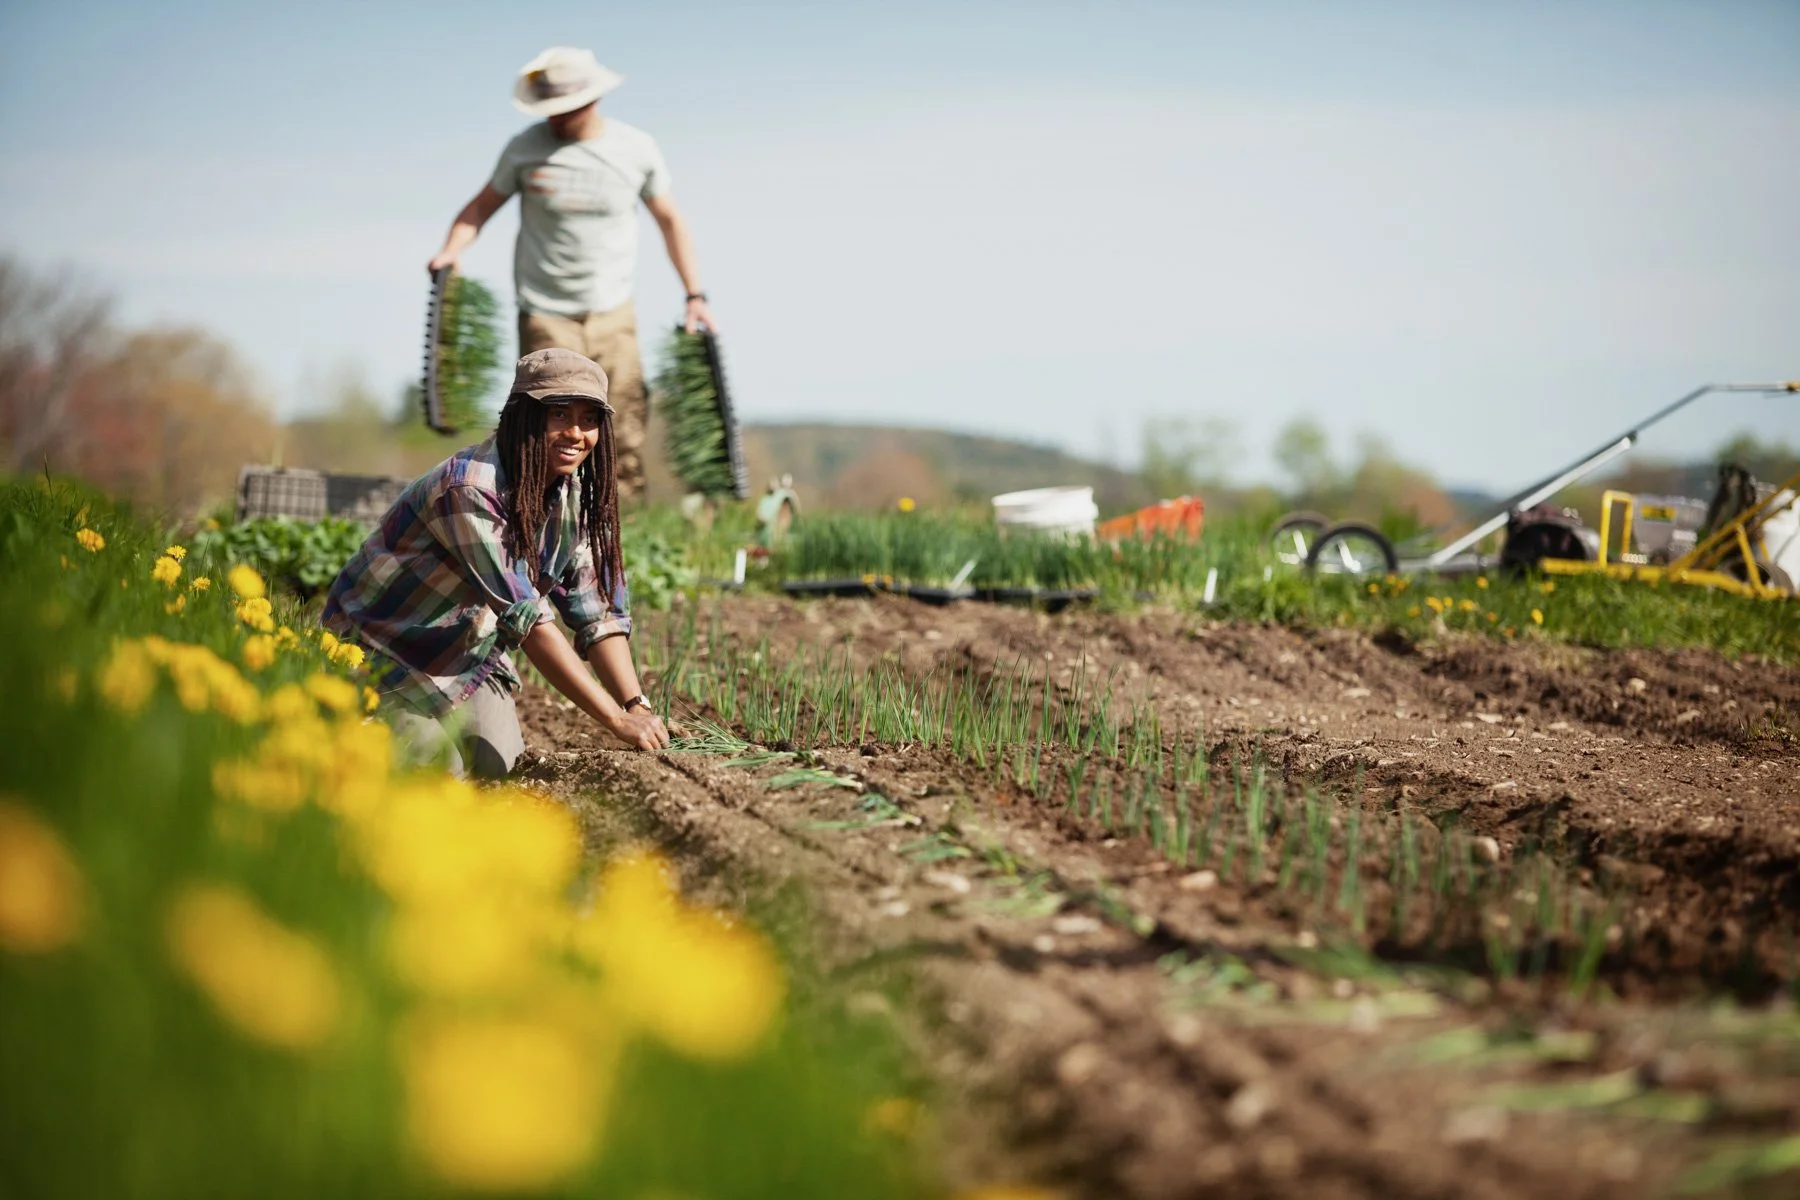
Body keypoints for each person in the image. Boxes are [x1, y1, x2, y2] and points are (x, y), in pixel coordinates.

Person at [322, 349, 671, 778]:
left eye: (590, 419)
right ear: (523, 415)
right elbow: (529, 621)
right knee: (438, 774)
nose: (576, 433)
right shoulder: (468, 488)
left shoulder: (573, 494)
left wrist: (637, 706)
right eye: (559, 414)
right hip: (384, 655)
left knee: (500, 772)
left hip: (468, 654)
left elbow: (596, 613)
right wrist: (615, 722)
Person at [428, 45, 717, 501]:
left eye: (565, 109)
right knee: (551, 429)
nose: (556, 119)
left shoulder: (635, 149)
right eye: (549, 110)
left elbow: (670, 220)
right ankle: (540, 522)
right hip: (545, 311)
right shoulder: (525, 149)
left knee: (621, 422)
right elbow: (479, 208)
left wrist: (695, 294)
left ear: (592, 99)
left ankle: (620, 531)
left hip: (613, 310)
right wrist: (451, 250)